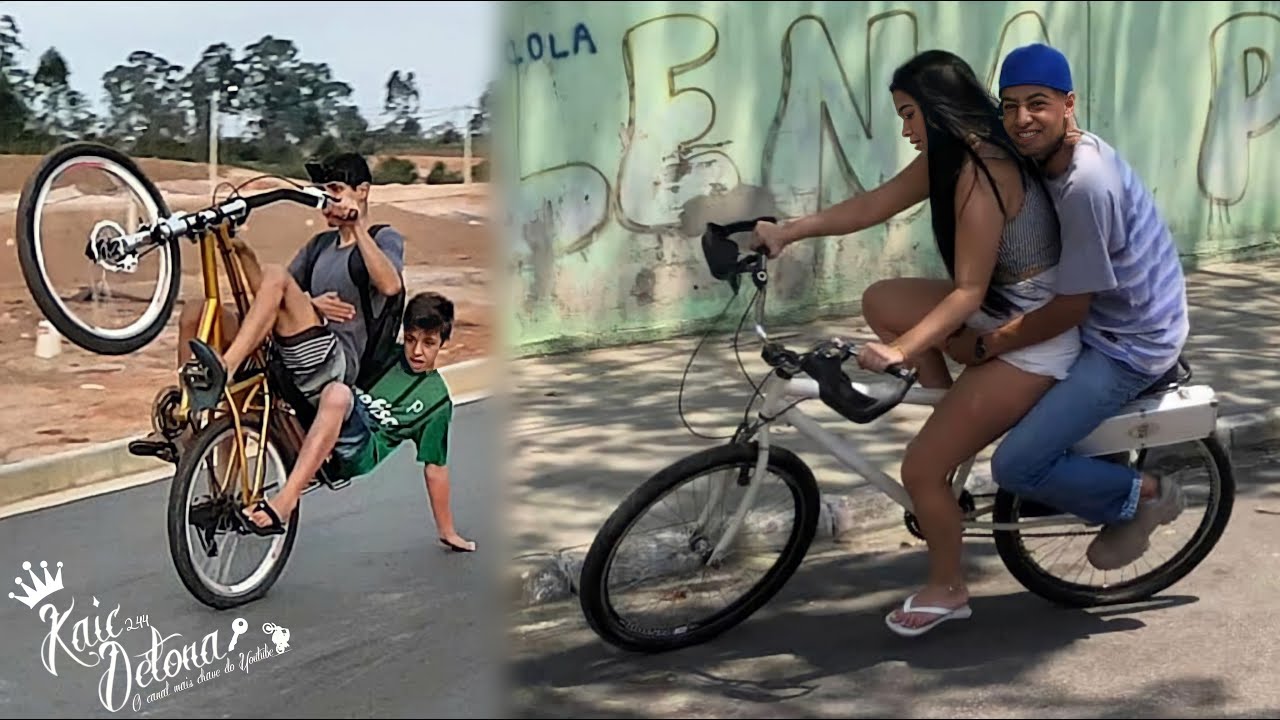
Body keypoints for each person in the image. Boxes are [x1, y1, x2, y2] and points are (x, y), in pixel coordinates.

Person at [754, 49, 1080, 636]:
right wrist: (788, 232)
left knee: (919, 471)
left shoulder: (984, 174)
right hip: (995, 310)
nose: (905, 130)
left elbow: (966, 293)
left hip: (1028, 340)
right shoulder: (951, 156)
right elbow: (873, 204)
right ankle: (948, 415)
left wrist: (903, 350)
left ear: (940, 111)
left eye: (909, 115)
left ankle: (949, 587)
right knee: (883, 298)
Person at [956, 43, 1188, 571]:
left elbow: (1069, 311)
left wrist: (990, 343)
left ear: (1068, 104)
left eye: (1037, 103)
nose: (1021, 119)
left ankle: (1145, 496)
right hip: (1114, 316)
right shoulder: (1050, 153)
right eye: (1009, 106)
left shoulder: (1086, 184)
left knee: (1015, 464)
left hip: (1129, 343)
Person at [129, 152, 405, 462]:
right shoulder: (319, 247)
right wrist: (241, 251)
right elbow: (269, 295)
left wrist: (357, 228)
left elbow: (390, 285)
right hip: (290, 351)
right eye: (323, 191)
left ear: (363, 191)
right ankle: (187, 425)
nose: (327, 199)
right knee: (197, 311)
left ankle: (224, 368)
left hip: (335, 363)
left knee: (277, 275)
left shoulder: (383, 237)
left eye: (336, 190)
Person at [234, 291, 475, 554]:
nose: (417, 351)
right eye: (410, 340)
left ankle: (286, 500)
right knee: (248, 342)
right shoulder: (384, 352)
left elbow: (435, 469)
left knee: (338, 394)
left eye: (428, 343)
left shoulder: (436, 401)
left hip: (356, 449)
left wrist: (447, 531)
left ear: (443, 343)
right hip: (325, 414)